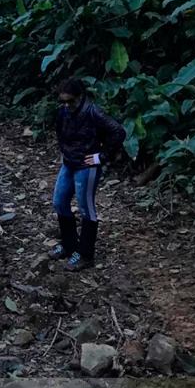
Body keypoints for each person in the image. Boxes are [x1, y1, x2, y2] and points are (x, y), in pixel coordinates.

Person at [50, 78, 126, 271]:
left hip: (87, 166)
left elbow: (118, 131)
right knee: (59, 202)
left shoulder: (93, 111)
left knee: (86, 209)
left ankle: (85, 254)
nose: (67, 105)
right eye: (63, 101)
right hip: (69, 163)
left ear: (80, 97)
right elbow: (61, 132)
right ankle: (69, 245)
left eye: (71, 101)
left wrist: (102, 156)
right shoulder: (63, 112)